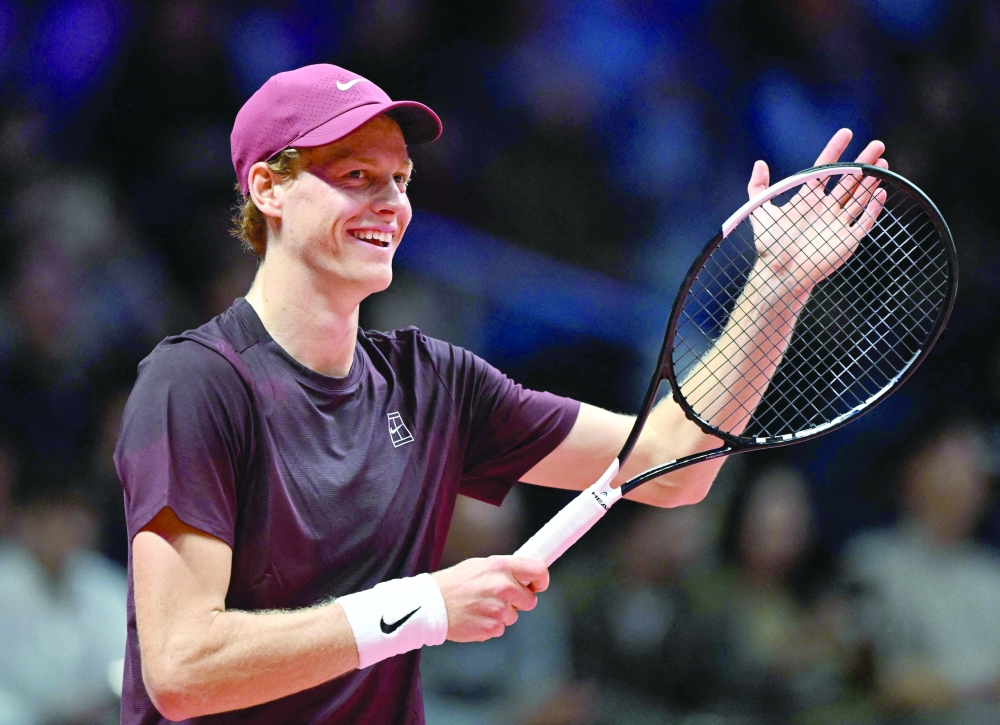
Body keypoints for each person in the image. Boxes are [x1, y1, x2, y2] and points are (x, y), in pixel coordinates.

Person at [115, 63, 890, 724]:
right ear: (268, 189)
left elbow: (672, 464)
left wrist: (776, 286)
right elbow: (183, 668)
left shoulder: (433, 385)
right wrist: (421, 607)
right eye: (357, 176)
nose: (391, 202)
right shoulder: (196, 383)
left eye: (401, 180)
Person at [843, 422, 1000, 724]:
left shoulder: (992, 574)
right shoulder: (873, 562)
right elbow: (891, 682)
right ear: (916, 471)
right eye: (956, 466)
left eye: (978, 473)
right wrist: (986, 685)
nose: (969, 483)